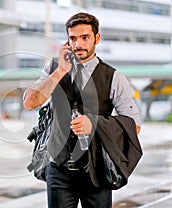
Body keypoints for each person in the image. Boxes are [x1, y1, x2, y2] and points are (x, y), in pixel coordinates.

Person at [23, 12, 142, 208]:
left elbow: (134, 126)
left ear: (97, 38)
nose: (78, 44)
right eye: (73, 38)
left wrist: (95, 124)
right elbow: (30, 102)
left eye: (85, 37)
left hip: (97, 170)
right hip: (58, 169)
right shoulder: (53, 69)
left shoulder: (113, 77)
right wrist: (60, 71)